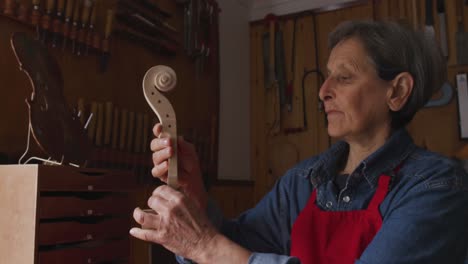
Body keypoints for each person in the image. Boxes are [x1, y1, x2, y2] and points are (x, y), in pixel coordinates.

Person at [129, 20, 468, 264]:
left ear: (396, 91)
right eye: (326, 77)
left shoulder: (437, 187)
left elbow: (220, 253)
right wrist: (196, 201)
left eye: (344, 77)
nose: (323, 91)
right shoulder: (304, 181)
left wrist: (205, 245)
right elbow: (236, 247)